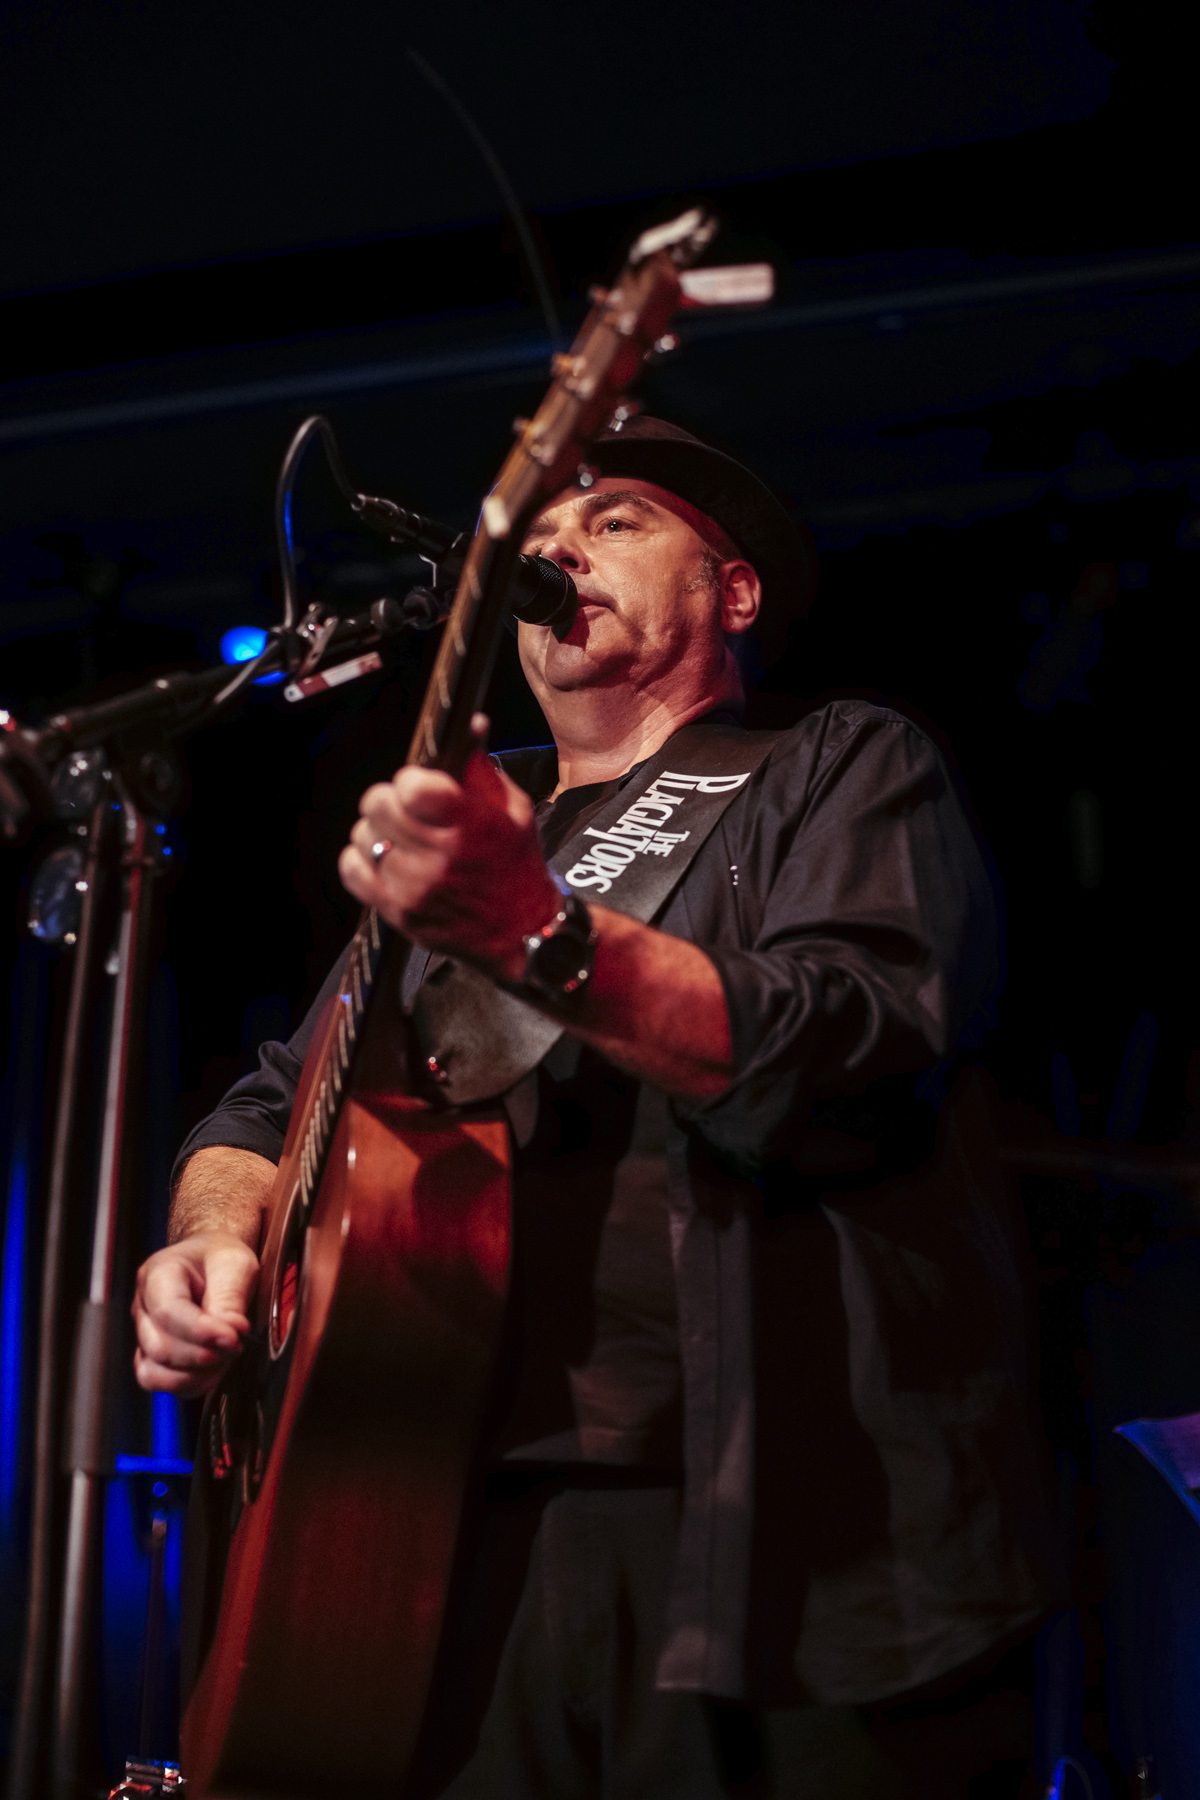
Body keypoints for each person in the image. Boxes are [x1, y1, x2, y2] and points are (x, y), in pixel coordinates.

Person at [133, 417, 1061, 1797]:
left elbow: (853, 1031)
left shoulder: (830, 766)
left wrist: (543, 936)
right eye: (550, 530)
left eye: (619, 519)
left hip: (773, 1542)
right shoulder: (476, 820)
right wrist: (212, 1235)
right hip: (440, 1548)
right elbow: (272, 1103)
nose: (563, 544)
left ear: (729, 592)